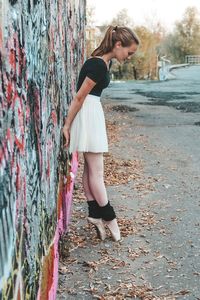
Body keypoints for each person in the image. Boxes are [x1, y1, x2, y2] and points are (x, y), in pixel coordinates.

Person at [63, 25, 139, 241]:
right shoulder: (98, 65)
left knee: (90, 171)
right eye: (129, 52)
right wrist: (67, 125)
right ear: (117, 44)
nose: (129, 57)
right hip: (87, 114)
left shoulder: (104, 61)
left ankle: (95, 214)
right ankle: (110, 218)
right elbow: (79, 96)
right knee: (97, 174)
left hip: (91, 113)